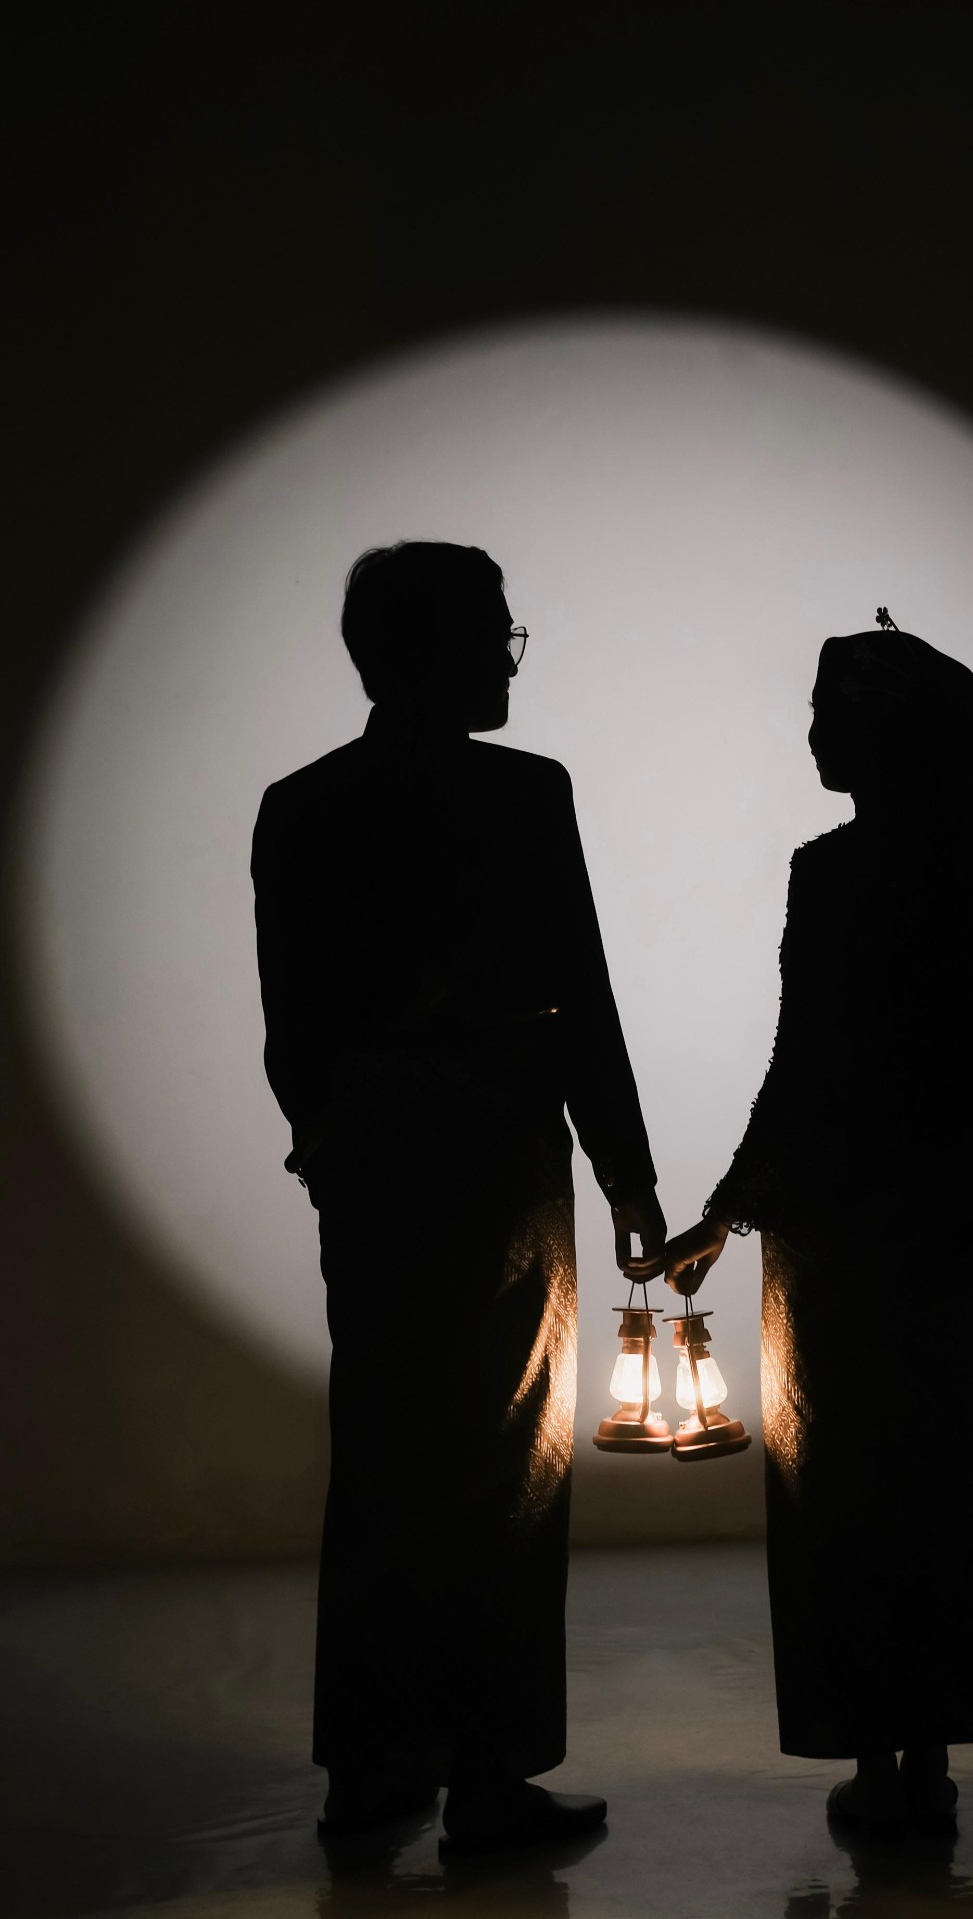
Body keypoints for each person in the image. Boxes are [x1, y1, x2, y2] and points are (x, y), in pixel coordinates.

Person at [251, 541, 665, 1847]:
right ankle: (490, 1775)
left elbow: (293, 1026)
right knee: (508, 1468)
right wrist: (626, 1173)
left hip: (378, 1181)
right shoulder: (524, 795)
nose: (507, 659)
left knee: (383, 1461)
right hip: (500, 1175)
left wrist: (332, 1140)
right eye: (494, 635)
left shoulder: (302, 807)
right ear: (437, 648)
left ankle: (371, 1772)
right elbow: (579, 995)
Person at [665, 616, 973, 1836]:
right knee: (926, 1483)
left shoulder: (833, 873)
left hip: (830, 1237)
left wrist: (726, 1209)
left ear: (881, 734)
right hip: (930, 1232)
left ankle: (871, 1751)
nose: (813, 735)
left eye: (829, 714)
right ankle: (922, 1758)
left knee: (835, 1489)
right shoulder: (966, 873)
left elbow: (804, 1066)